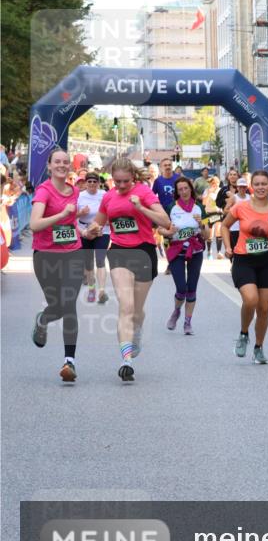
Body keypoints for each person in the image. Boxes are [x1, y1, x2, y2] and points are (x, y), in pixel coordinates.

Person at [83, 157, 170, 381]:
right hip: (119, 252)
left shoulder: (143, 192)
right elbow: (99, 223)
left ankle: (136, 332)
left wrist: (140, 207)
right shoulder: (109, 196)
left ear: (132, 177)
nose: (120, 186)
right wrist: (90, 230)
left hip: (144, 251)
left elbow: (165, 220)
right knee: (126, 306)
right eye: (117, 181)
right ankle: (126, 360)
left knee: (137, 311)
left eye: (125, 181)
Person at [29, 148, 85, 382]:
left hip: (72, 253)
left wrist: (83, 229)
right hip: (46, 255)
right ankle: (43, 319)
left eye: (65, 162)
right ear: (49, 166)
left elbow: (70, 224)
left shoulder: (74, 190)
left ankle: (69, 362)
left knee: (69, 305)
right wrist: (62, 213)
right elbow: (34, 224)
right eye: (57, 162)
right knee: (57, 307)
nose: (62, 165)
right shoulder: (44, 191)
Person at [222, 170, 268, 364]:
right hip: (244, 260)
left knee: (264, 309)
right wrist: (227, 246)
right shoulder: (241, 207)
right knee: (250, 300)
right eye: (257, 184)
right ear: (252, 186)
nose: (260, 187)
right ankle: (243, 334)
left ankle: (259, 347)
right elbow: (225, 225)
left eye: (264, 184)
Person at [160, 176, 208, 335]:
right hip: (176, 250)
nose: (183, 191)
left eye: (185, 188)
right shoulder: (171, 207)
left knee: (192, 289)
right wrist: (168, 232)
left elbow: (207, 235)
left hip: (195, 250)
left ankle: (188, 322)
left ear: (190, 189)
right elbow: (159, 229)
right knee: (181, 288)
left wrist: (201, 224)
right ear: (177, 192)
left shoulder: (199, 207)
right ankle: (176, 311)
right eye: (180, 189)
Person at [77, 172, 110, 304]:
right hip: (85, 231)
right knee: (88, 263)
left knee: (100, 260)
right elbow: (72, 216)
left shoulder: (104, 195)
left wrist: (107, 220)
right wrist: (81, 213)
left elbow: (112, 210)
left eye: (94, 181)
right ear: (85, 183)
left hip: (102, 231)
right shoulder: (79, 196)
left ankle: (102, 291)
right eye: (89, 181)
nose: (92, 184)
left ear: (99, 183)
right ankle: (91, 289)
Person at [202, 175, 223, 258]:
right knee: (210, 233)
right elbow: (203, 203)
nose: (215, 185)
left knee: (218, 231)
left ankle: (218, 252)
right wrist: (209, 194)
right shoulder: (207, 191)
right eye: (214, 183)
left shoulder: (221, 190)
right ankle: (209, 251)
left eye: (217, 183)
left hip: (218, 213)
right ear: (210, 184)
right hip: (209, 213)